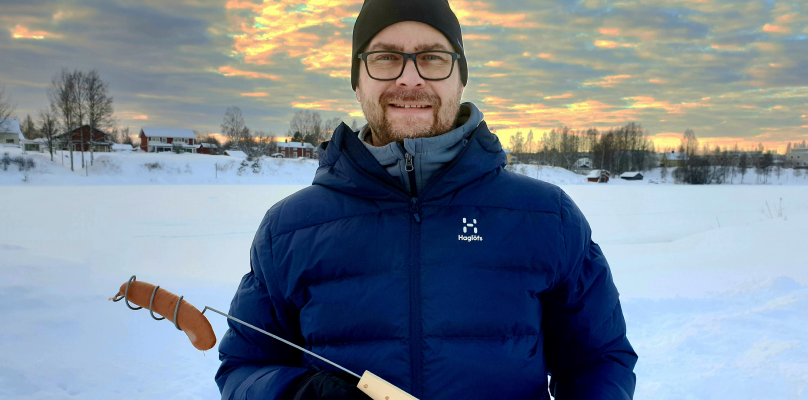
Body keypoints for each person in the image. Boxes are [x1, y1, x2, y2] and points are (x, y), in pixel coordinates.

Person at [214, 0, 637, 399]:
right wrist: (294, 393)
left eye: (432, 57)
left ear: (460, 77)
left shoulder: (548, 218)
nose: (410, 78)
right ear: (357, 81)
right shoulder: (288, 229)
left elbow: (600, 360)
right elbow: (244, 365)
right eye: (386, 57)